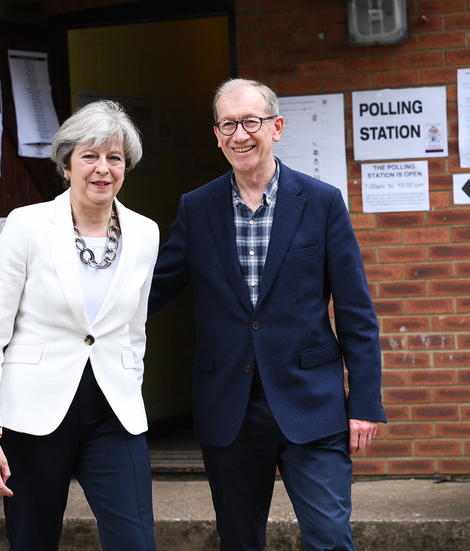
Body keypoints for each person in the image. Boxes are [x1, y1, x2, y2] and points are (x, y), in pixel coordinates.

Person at [150, 78, 386, 550]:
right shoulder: (196, 209)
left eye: (251, 122)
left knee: (330, 539)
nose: (241, 135)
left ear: (276, 127)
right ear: (217, 134)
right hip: (229, 407)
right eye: (229, 124)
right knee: (240, 542)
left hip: (312, 403)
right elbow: (155, 290)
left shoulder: (321, 203)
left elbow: (356, 310)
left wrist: (364, 401)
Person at [0, 100, 159, 550]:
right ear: (67, 164)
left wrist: (131, 381)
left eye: (114, 158)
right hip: (33, 418)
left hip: (114, 414)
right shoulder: (28, 225)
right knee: (33, 541)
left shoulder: (146, 232)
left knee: (136, 541)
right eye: (89, 156)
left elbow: (135, 329)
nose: (102, 169)